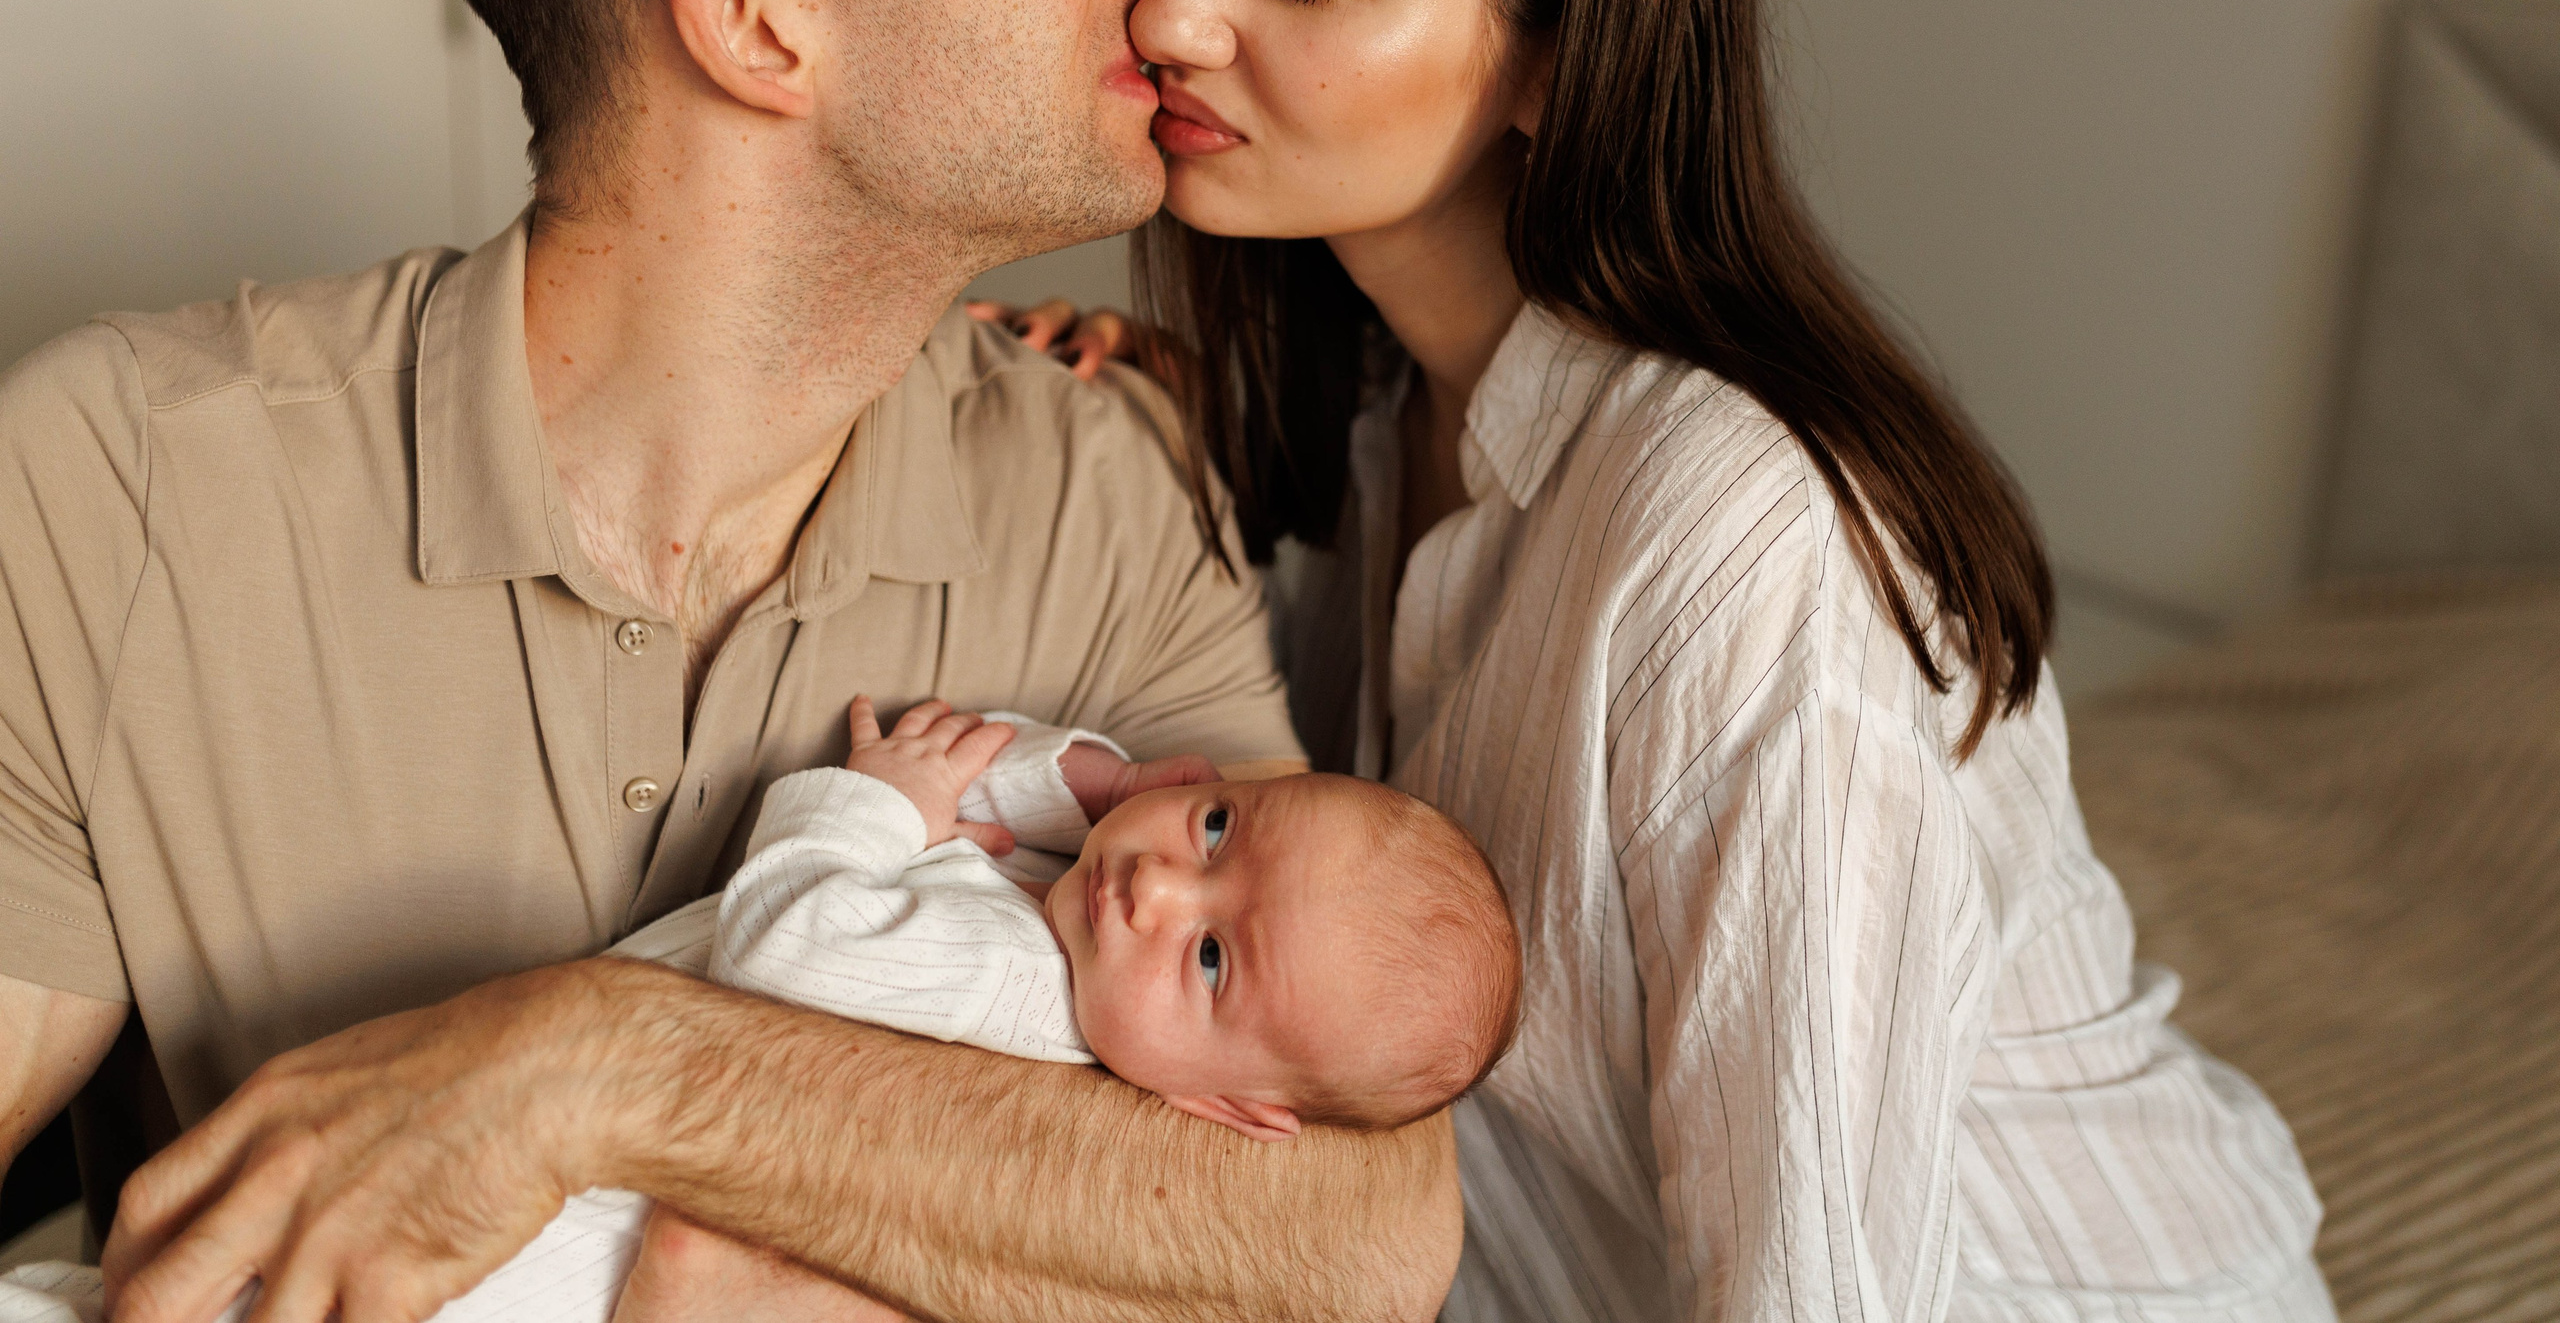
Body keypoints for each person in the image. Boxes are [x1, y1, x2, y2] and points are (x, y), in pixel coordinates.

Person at [0, 0, 1467, 1321]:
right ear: (757, 19)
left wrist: (596, 1065)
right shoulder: (112, 487)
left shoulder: (1100, 485)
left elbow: (1363, 1230)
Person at [993, 0, 2338, 1317]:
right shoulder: (1365, 414)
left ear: (1559, 58)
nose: (1177, 10)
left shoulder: (1744, 542)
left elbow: (1819, 1288)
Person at [2, 701, 1521, 1323]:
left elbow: (795, 941)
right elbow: (1030, 786)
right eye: (1216, 836)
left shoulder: (1011, 987)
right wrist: (1087, 777)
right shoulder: (1079, 918)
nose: (1158, 898)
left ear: (1228, 1109)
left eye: (1211, 964)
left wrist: (871, 802)